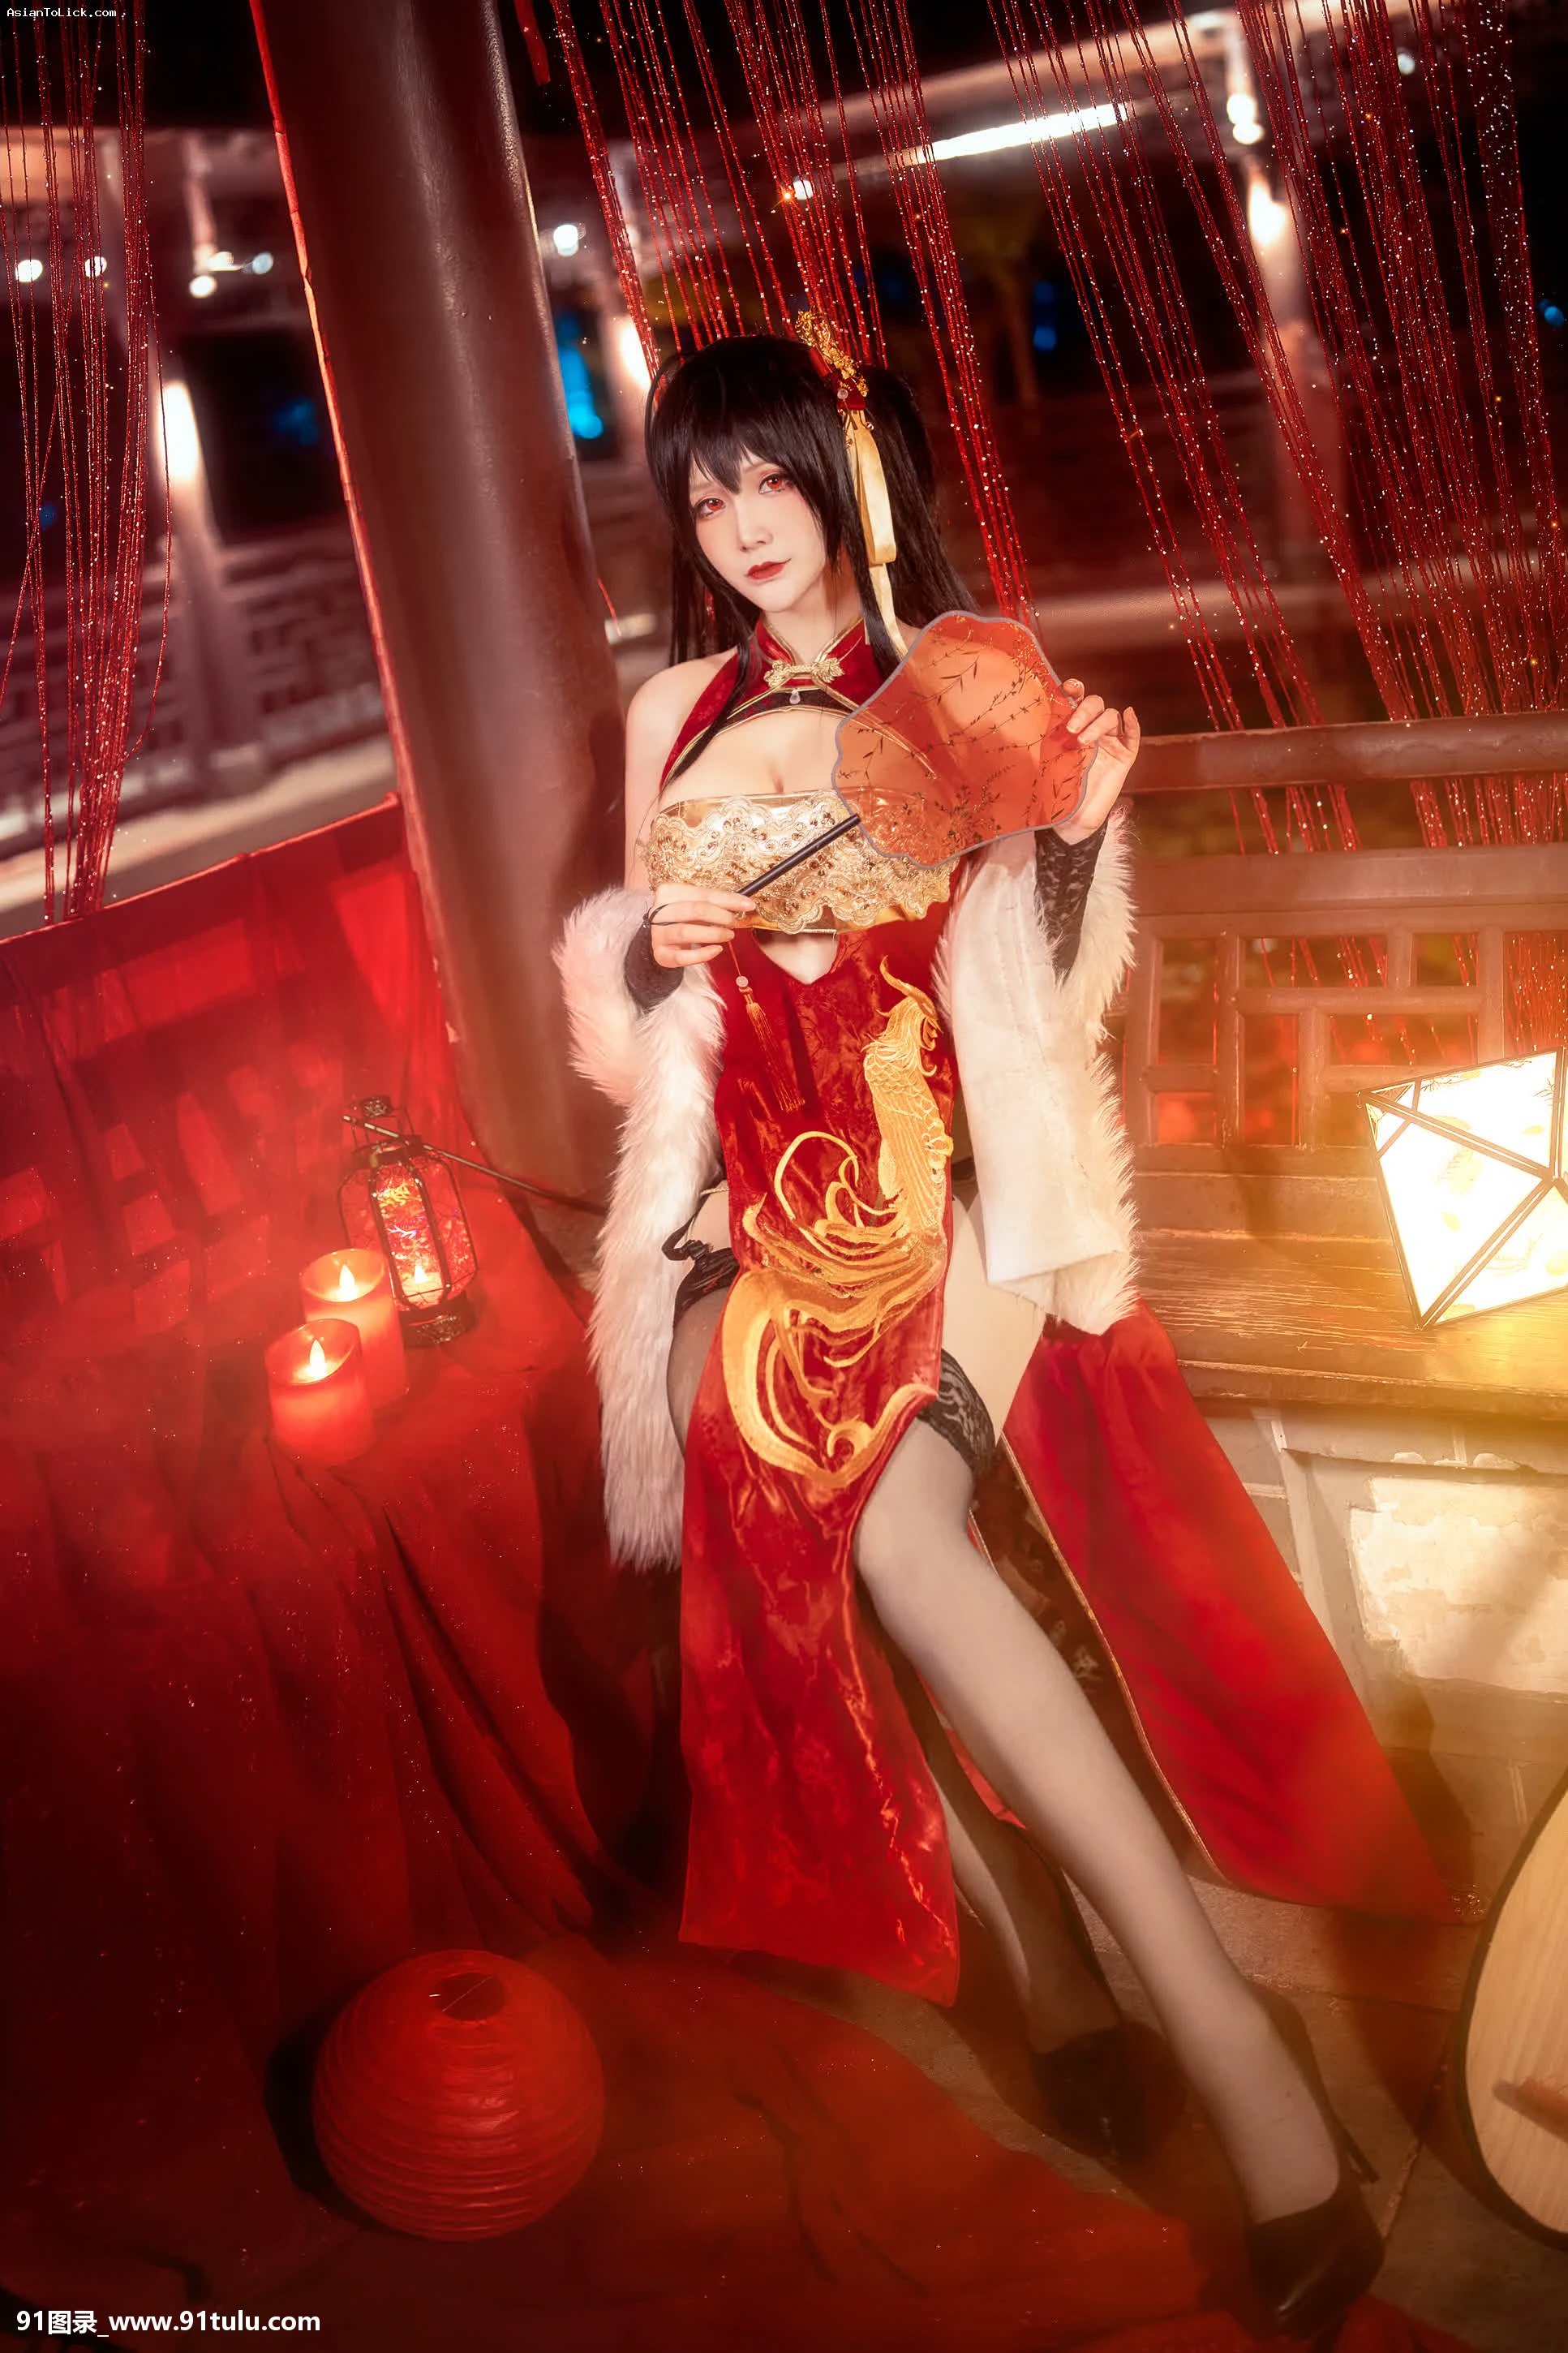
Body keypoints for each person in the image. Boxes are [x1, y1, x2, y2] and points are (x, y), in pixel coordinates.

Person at [557, 328, 1444, 2338]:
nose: (740, 524)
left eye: (769, 475)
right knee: (766, 1518)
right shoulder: (671, 711)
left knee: (894, 1538)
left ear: (844, 470)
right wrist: (651, 958)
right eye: (703, 493)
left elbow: (1042, 994)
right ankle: (1038, 1953)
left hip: (945, 1190)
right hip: (744, 1218)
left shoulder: (967, 680)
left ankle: (1232, 2051)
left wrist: (1075, 830)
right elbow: (645, 1049)